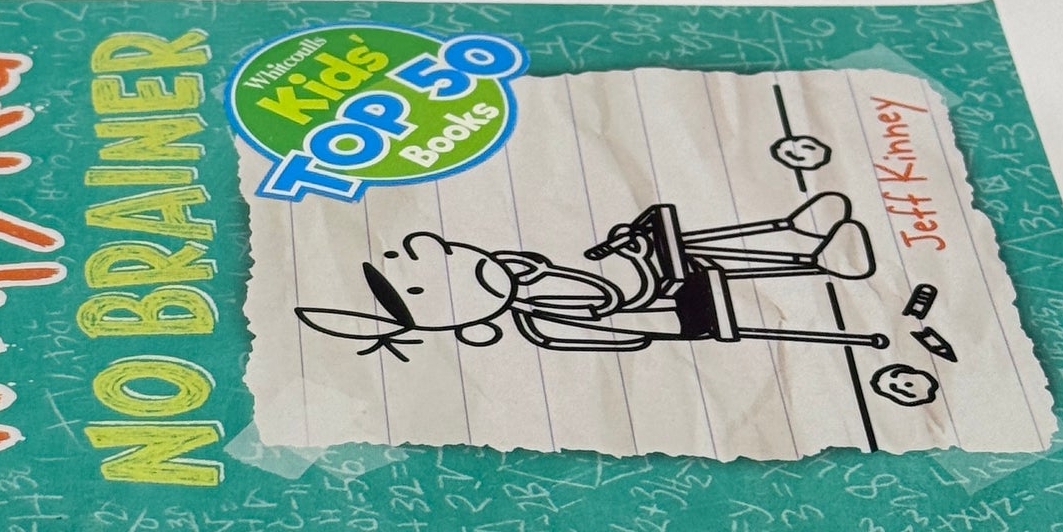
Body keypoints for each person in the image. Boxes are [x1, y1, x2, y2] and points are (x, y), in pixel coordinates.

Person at [295, 194, 888, 361]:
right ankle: (814, 261)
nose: (448, 254)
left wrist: (623, 245)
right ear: (474, 329)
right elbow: (615, 324)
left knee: (682, 238)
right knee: (699, 266)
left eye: (442, 251)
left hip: (642, 268)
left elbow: (588, 266)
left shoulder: (522, 268)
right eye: (428, 282)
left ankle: (791, 227)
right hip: (658, 297)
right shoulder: (542, 318)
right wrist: (643, 306)